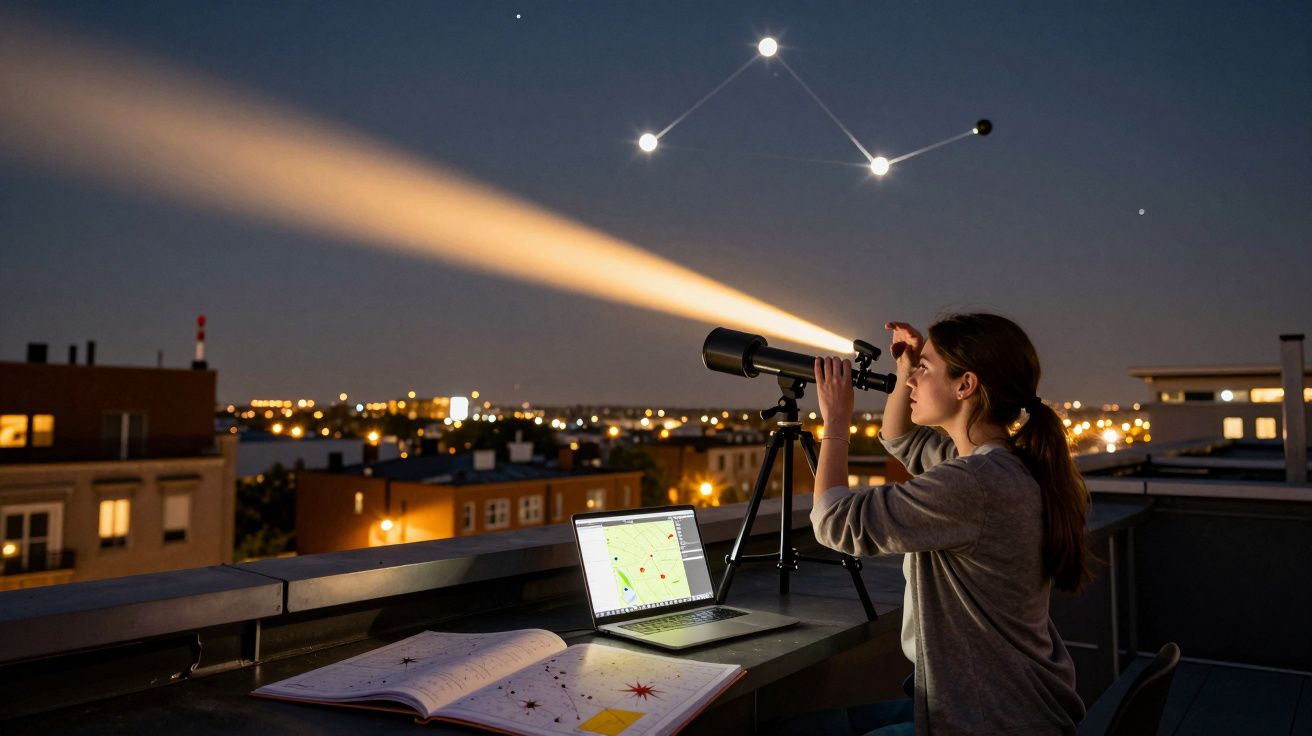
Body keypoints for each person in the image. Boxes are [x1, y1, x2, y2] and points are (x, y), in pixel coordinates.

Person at [805, 313, 1089, 735]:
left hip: (988, 719)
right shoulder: (1000, 466)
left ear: (965, 385)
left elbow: (834, 521)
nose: (912, 380)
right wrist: (906, 365)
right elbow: (902, 439)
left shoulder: (974, 483)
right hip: (1007, 703)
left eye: (924, 368)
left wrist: (835, 422)